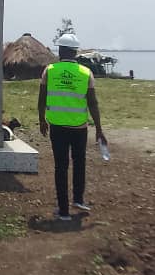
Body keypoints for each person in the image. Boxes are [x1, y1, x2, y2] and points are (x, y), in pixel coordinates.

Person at [38, 33, 107, 221]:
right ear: (75, 52)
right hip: (79, 128)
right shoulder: (86, 73)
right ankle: (78, 199)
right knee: (79, 163)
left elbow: (42, 98)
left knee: (61, 167)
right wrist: (99, 129)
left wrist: (42, 119)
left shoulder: (49, 71)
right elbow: (93, 103)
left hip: (58, 127)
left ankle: (63, 211)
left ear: (60, 51)